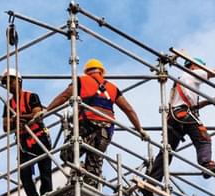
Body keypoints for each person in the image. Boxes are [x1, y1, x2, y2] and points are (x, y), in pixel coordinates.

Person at [143, 56, 215, 196]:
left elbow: (190, 104)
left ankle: (149, 184)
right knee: (203, 137)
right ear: (193, 66)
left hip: (175, 117)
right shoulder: (192, 74)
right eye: (200, 67)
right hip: (183, 114)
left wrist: (208, 101)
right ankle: (207, 165)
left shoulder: (183, 81)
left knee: (167, 152)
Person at [44, 58, 146, 186]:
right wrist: (140, 130)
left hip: (86, 125)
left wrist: (46, 111)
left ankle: (78, 172)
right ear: (102, 72)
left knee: (67, 154)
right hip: (106, 130)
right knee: (94, 167)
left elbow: (64, 96)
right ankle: (88, 188)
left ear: (87, 72)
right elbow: (128, 109)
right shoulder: (112, 88)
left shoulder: (81, 81)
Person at [0, 68, 53, 196]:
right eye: (6, 83)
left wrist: (20, 117)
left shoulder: (31, 96)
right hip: (23, 142)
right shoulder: (8, 105)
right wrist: (15, 120)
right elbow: (6, 127)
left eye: (10, 81)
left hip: (39, 137)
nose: (8, 85)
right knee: (24, 172)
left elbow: (37, 114)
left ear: (19, 81)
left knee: (45, 170)